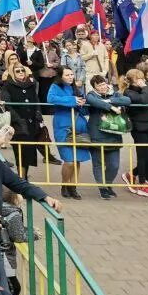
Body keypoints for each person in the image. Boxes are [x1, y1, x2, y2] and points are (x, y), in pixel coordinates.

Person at [46, 69, 90, 200]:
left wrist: (82, 104)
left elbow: (84, 107)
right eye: (67, 75)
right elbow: (51, 99)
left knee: (77, 160)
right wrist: (72, 100)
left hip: (79, 126)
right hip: (63, 127)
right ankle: (65, 184)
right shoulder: (55, 86)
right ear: (61, 76)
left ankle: (73, 186)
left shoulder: (77, 88)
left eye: (72, 74)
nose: (70, 77)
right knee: (69, 160)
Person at [85, 74, 130, 200]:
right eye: (98, 85)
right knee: (98, 163)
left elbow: (127, 101)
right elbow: (93, 102)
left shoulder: (114, 94)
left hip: (113, 135)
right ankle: (102, 188)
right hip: (96, 134)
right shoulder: (91, 95)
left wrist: (109, 101)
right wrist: (111, 107)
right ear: (94, 87)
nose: (102, 87)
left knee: (114, 165)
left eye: (103, 84)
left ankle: (108, 183)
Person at [120, 68, 148, 198]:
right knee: (143, 156)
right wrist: (145, 88)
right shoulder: (128, 92)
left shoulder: (144, 90)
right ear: (133, 80)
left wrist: (145, 89)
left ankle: (131, 174)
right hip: (139, 127)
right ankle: (142, 183)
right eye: (140, 78)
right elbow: (143, 100)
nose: (143, 80)